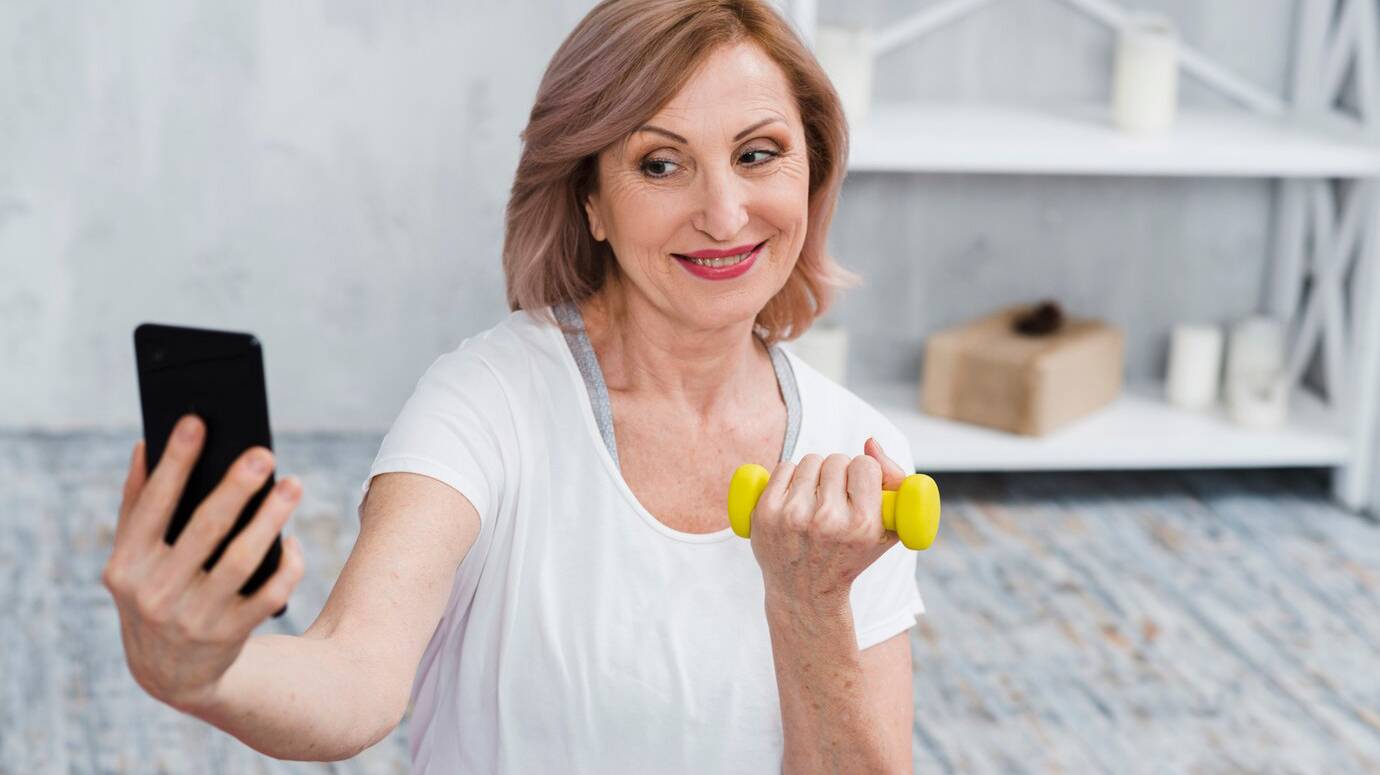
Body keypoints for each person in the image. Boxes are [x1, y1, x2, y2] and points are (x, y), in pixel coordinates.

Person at [102, 1, 926, 771]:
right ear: (591, 201)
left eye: (757, 154)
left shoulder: (855, 455)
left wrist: (809, 601)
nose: (723, 211)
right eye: (662, 163)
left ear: (810, 171)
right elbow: (355, 675)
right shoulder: (488, 398)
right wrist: (209, 671)